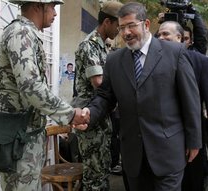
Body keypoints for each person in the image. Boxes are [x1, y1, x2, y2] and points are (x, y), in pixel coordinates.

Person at [75, 2, 202, 191]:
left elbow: (190, 100)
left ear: (146, 24)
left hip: (168, 154)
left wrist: (194, 140)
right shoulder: (114, 60)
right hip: (133, 157)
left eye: (131, 25)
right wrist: (90, 113)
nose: (126, 32)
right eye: (122, 27)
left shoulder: (175, 53)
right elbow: (105, 97)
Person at [0, 0, 88, 190]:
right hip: (19, 138)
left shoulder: (21, 32)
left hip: (22, 136)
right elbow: (31, 87)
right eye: (52, 6)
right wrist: (70, 114)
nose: (55, 13)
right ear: (38, 6)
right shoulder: (21, 32)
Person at [71, 1, 123, 190]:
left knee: (102, 169)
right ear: (107, 22)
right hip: (89, 117)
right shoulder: (89, 46)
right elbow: (99, 82)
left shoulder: (103, 46)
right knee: (94, 175)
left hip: (101, 116)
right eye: (119, 25)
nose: (120, 30)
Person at [157, 20, 208, 191]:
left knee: (192, 181)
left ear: (180, 38)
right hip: (162, 139)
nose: (161, 38)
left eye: (166, 34)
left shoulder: (199, 61)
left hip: (193, 136)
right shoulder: (151, 62)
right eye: (159, 35)